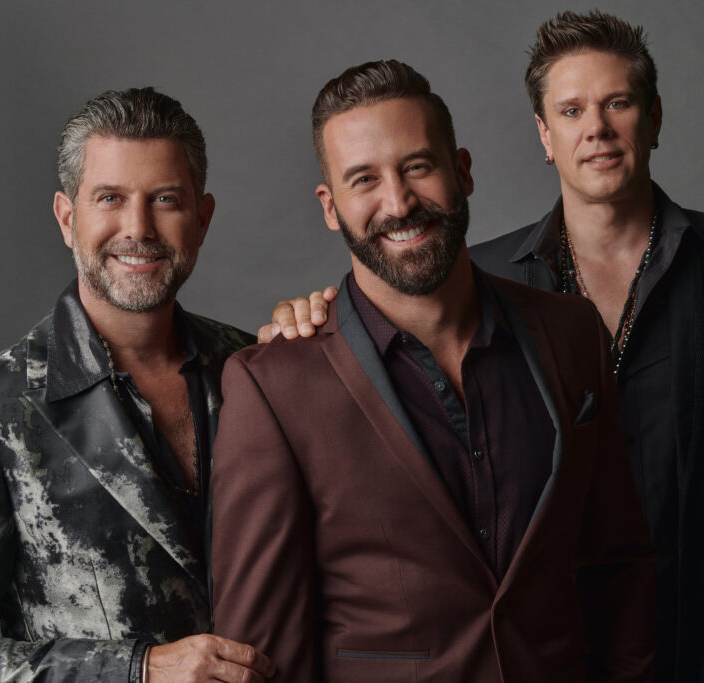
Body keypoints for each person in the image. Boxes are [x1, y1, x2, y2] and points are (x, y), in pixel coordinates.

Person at [262, 13, 704, 679]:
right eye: (571, 110)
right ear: (544, 133)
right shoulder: (468, 279)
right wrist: (309, 322)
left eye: (618, 103)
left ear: (654, 117)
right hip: (565, 649)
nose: (595, 128)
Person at [211, 60, 656, 682]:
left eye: (418, 167)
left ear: (462, 170)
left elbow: (619, 563)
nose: (398, 203)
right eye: (364, 180)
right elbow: (260, 656)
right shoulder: (274, 387)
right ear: (331, 207)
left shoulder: (572, 332)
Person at [0, 88, 274, 682]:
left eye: (165, 199)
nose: (138, 229)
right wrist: (137, 671)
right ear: (68, 218)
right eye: (110, 198)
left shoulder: (257, 365)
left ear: (202, 218)